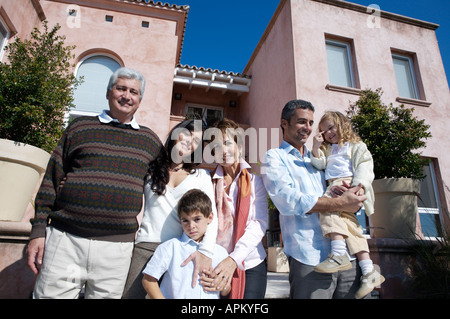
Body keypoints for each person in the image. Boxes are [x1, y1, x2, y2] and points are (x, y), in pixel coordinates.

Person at [26, 67, 163, 299]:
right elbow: (51, 178)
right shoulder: (79, 127)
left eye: (134, 92)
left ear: (140, 100)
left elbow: (166, 182)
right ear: (108, 92)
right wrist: (38, 230)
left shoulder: (150, 141)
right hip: (65, 240)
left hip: (116, 250)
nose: (127, 96)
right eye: (121, 88)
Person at [261, 99, 368, 299]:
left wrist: (355, 197)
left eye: (311, 123)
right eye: (302, 122)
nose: (308, 128)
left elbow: (347, 187)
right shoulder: (273, 158)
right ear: (285, 123)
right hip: (309, 258)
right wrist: (341, 203)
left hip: (348, 255)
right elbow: (289, 201)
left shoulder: (321, 158)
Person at [122, 119, 218, 299]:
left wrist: (205, 252)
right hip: (146, 247)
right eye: (188, 133)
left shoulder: (201, 176)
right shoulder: (150, 169)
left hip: (180, 252)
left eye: (196, 141)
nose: (190, 141)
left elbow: (212, 219)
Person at [310, 111, 384, 299]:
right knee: (351, 228)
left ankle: (338, 253)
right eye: (324, 130)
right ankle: (369, 272)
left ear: (343, 125)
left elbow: (365, 166)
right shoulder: (328, 150)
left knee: (327, 208)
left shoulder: (356, 145)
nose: (328, 132)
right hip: (337, 183)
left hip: (346, 184)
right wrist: (316, 146)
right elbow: (319, 164)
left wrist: (358, 186)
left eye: (331, 127)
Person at [202, 118, 268, 299]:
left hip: (251, 262)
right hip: (216, 262)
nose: (223, 150)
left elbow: (259, 224)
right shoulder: (206, 181)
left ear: (239, 147)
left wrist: (233, 259)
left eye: (227, 143)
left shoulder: (256, 182)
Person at [142, 189, 230, 299]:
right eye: (185, 220)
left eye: (197, 219)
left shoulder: (221, 252)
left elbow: (225, 291)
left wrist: (224, 286)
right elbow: (148, 280)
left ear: (210, 217)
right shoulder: (170, 247)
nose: (191, 225)